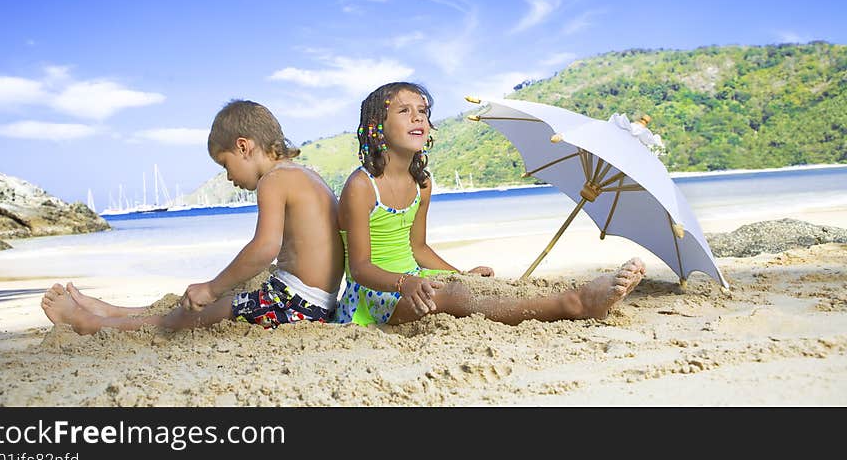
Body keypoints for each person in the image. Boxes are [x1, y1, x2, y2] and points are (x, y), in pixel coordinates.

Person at [334, 81, 646, 326]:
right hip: (376, 294)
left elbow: (418, 249)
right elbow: (360, 269)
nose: (417, 117)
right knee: (457, 295)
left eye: (423, 111)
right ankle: (575, 304)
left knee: (473, 288)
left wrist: (461, 274)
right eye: (404, 111)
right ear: (377, 125)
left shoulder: (422, 184)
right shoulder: (362, 186)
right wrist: (405, 283)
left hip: (414, 278)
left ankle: (567, 296)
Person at [41, 99, 345, 335]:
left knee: (184, 318)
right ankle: (112, 311)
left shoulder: (273, 181)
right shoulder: (306, 175)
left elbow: (264, 249)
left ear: (243, 147)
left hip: (294, 305)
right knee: (228, 293)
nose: (228, 177)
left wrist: (212, 287)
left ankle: (87, 323)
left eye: (225, 165)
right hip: (317, 303)